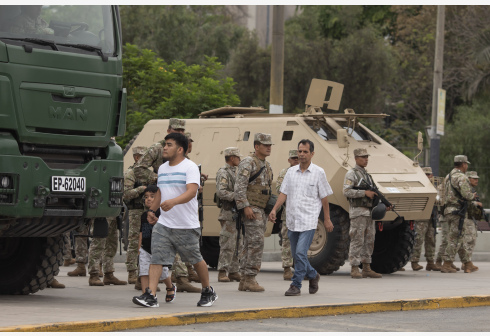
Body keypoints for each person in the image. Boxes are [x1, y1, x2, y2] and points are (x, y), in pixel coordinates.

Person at [134, 132, 217, 308]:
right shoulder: (163, 168)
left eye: (169, 144)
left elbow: (191, 191)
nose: (165, 147)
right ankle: (151, 296)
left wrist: (173, 202)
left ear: (180, 149)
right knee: (156, 258)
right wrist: (152, 210)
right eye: (165, 144)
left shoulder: (190, 167)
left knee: (195, 259)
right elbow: (160, 192)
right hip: (164, 224)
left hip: (186, 225)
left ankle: (207, 290)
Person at [133, 118, 201, 293]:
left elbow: (189, 184)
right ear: (169, 129)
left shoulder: (182, 154)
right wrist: (159, 179)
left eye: (181, 130)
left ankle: (183, 280)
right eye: (176, 129)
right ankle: (154, 288)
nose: (179, 132)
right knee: (156, 249)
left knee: (191, 253)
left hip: (180, 210)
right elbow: (139, 168)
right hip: (161, 202)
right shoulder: (159, 148)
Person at [269, 139, 333, 296]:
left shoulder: (319, 172)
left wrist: (327, 219)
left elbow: (324, 197)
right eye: (300, 151)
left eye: (305, 152)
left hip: (309, 221)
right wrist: (274, 209)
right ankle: (313, 275)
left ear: (312, 154)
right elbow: (283, 193)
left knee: (299, 253)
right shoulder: (291, 173)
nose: (302, 154)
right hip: (292, 220)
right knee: (297, 255)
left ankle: (296, 285)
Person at [234, 133, 273, 292]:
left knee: (250, 243)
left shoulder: (266, 164)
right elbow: (239, 187)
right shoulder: (248, 162)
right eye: (265, 145)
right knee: (256, 243)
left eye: (270, 145)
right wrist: (245, 206)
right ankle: (250, 278)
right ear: (257, 147)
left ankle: (244, 279)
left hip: (261, 208)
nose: (269, 147)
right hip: (252, 208)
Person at [343, 148, 383, 279]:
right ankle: (354, 267)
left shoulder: (367, 176)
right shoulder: (351, 174)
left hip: (369, 213)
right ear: (356, 158)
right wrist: (363, 193)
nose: (366, 159)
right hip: (358, 212)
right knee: (357, 239)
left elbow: (375, 193)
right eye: (362, 157)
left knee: (369, 240)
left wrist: (383, 204)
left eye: (366, 157)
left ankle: (366, 267)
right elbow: (346, 191)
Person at [132, 185, 175, 306]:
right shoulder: (143, 215)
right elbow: (141, 231)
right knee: (144, 272)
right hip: (145, 248)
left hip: (159, 247)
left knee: (163, 274)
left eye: (152, 196)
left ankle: (170, 287)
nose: (148, 199)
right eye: (146, 197)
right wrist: (139, 247)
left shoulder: (162, 213)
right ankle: (147, 294)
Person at [441, 155, 479, 273]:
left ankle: (468, 263)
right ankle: (447, 264)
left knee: (459, 238)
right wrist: (473, 196)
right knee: (455, 238)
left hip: (448, 210)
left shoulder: (448, 176)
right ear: (463, 164)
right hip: (458, 211)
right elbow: (467, 195)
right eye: (466, 164)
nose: (466, 166)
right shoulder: (461, 177)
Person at [216, 147, 242, 282]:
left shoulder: (235, 172)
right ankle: (222, 271)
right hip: (228, 213)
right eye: (238, 157)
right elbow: (221, 192)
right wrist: (238, 197)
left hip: (236, 213)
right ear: (232, 158)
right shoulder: (224, 172)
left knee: (238, 243)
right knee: (228, 243)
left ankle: (233, 270)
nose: (240, 159)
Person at [123, 146, 148, 285]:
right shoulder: (131, 173)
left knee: (147, 241)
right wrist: (141, 189)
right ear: (137, 157)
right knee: (133, 242)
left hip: (147, 211)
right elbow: (126, 193)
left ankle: (144, 272)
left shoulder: (147, 173)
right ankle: (132, 272)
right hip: (136, 211)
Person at [410, 167, 441, 271]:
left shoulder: (434, 187)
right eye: (426, 174)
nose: (428, 176)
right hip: (421, 217)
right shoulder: (418, 186)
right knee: (418, 239)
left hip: (432, 217)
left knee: (431, 239)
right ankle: (414, 262)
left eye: (429, 174)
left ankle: (430, 262)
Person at [275, 149, 299, 281]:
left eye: (297, 158)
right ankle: (287, 269)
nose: (296, 161)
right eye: (293, 159)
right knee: (287, 240)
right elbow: (279, 188)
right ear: (289, 160)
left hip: (302, 212)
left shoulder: (305, 171)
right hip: (288, 212)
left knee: (302, 241)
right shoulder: (285, 173)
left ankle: (301, 268)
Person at [87, 217, 128, 286]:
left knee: (111, 245)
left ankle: (109, 274)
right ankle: (93, 275)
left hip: (113, 213)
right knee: (98, 243)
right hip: (102, 214)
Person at [462, 170, 481, 273]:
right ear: (468, 179)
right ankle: (466, 264)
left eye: (477, 178)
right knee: (469, 240)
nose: (476, 180)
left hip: (471, 218)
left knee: (471, 240)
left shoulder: (471, 189)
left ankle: (466, 263)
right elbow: (466, 202)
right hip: (467, 218)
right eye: (474, 178)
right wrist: (476, 204)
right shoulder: (466, 190)